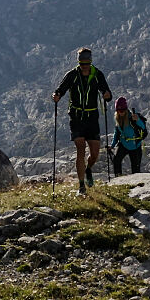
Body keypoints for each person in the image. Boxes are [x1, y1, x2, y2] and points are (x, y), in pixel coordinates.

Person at [52, 47, 112, 193]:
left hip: (92, 117)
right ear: (79, 63)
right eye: (82, 64)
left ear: (90, 62)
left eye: (86, 64)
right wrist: (56, 95)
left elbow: (107, 94)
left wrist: (107, 95)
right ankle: (81, 186)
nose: (84, 66)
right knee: (80, 150)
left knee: (95, 154)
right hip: (76, 116)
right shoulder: (72, 75)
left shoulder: (97, 75)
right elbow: (61, 89)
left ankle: (88, 169)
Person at [110, 96, 146, 175]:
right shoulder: (118, 119)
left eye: (122, 110)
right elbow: (116, 133)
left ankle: (137, 185)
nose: (121, 112)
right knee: (116, 160)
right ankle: (118, 178)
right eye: (119, 110)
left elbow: (143, 127)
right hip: (123, 144)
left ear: (126, 109)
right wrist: (112, 145)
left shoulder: (133, 117)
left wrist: (138, 120)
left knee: (135, 169)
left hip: (135, 145)